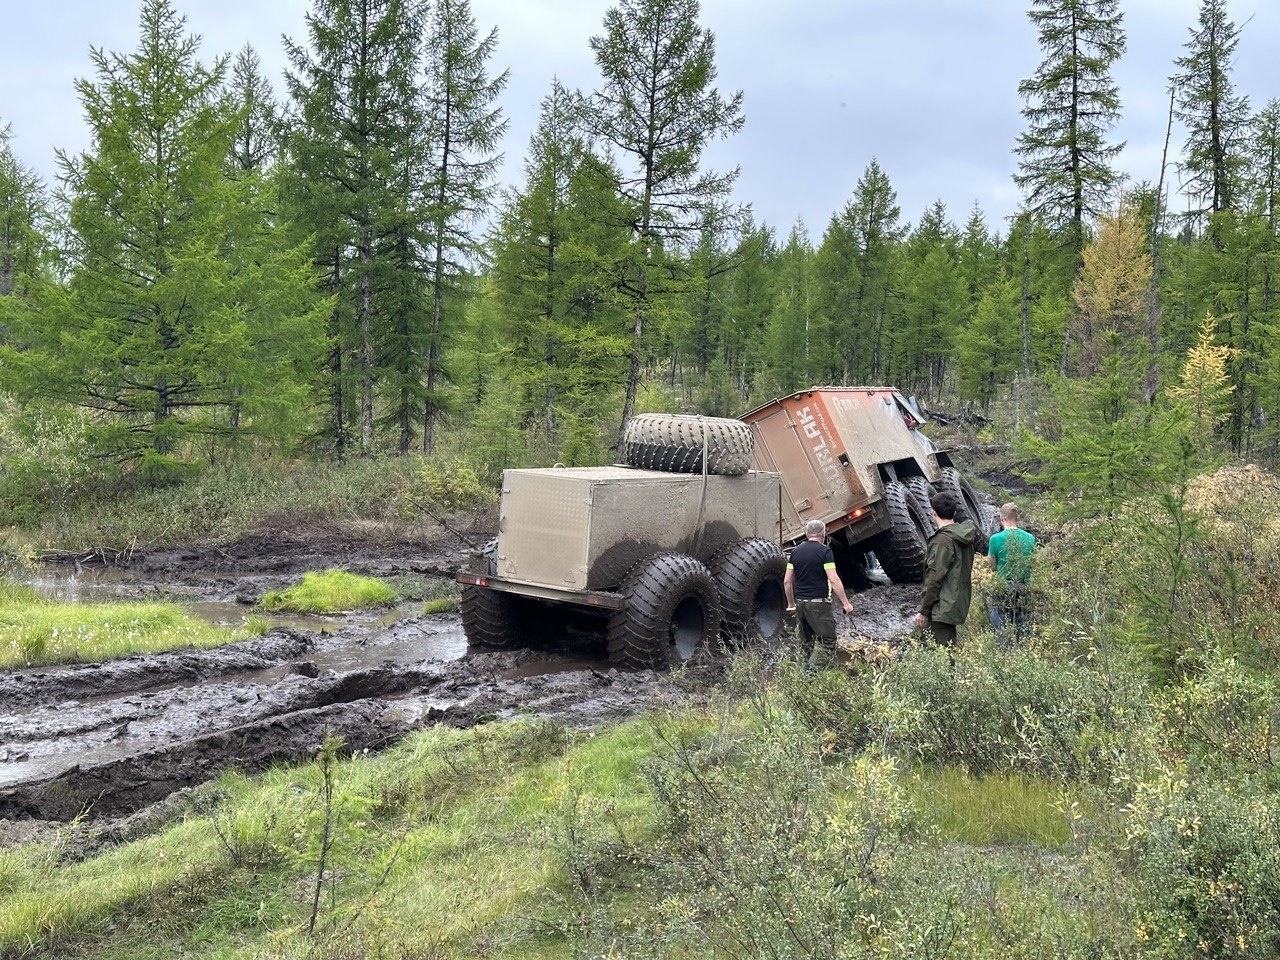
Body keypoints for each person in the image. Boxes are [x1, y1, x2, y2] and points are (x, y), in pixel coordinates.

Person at [784, 519, 854, 668]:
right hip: (818, 605)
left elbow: (787, 581)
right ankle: (809, 674)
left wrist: (791, 604)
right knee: (827, 641)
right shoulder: (825, 551)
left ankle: (809, 677)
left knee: (807, 643)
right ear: (823, 533)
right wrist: (846, 603)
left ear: (807, 534)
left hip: (800, 604)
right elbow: (833, 579)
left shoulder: (794, 552)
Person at [912, 491, 977, 647]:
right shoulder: (963, 535)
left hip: (940, 609)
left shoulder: (942, 541)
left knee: (939, 656)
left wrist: (923, 610)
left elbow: (934, 579)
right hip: (954, 604)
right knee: (945, 650)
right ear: (954, 512)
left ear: (933, 512)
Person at [987, 502, 1035, 642]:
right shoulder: (1030, 538)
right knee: (1023, 625)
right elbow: (1032, 563)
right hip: (1024, 586)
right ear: (1017, 517)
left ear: (1001, 519)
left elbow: (992, 566)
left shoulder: (995, 539)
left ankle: (1004, 653)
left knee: (1000, 625)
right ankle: (1022, 651)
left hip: (1003, 586)